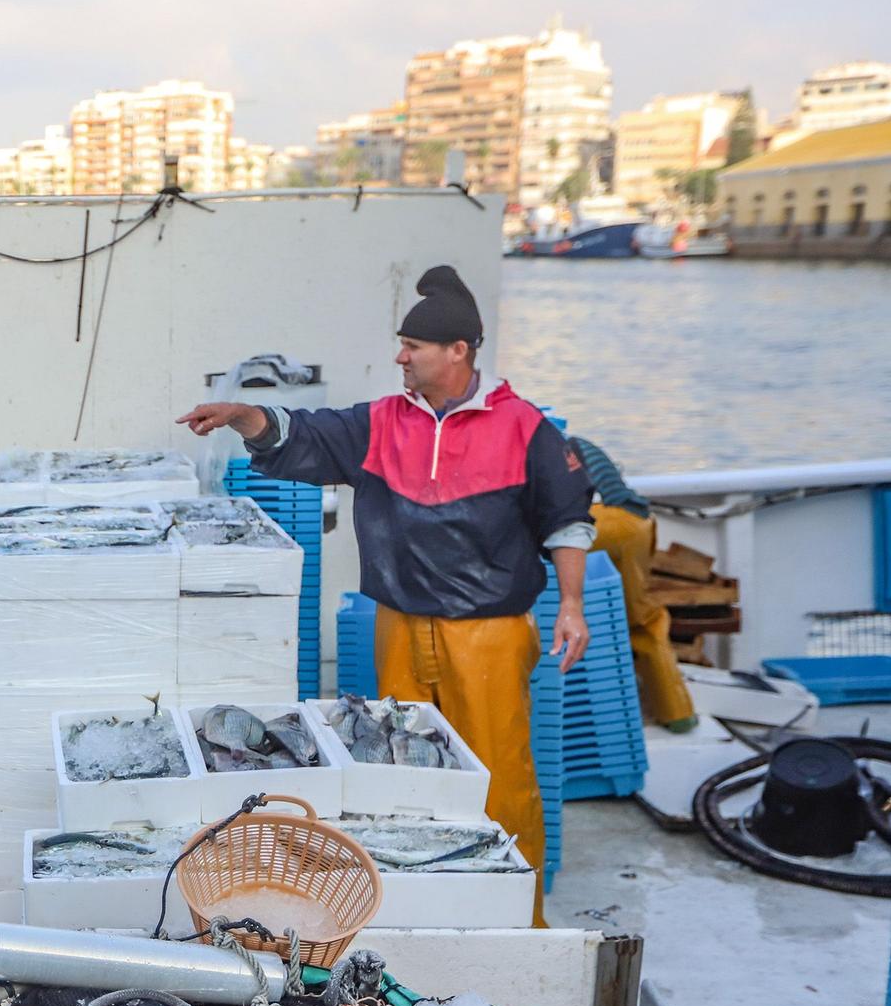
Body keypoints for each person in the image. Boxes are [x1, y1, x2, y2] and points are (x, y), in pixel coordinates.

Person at [178, 265, 593, 926]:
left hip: (486, 635)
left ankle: (519, 917)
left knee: (501, 781)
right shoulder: (380, 423)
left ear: (459, 351)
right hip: (398, 624)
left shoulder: (526, 428)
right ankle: (413, 909)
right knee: (394, 774)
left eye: (414, 346)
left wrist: (570, 604)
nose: (400, 356)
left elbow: (568, 519)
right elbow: (305, 434)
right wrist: (243, 417)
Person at [568, 435, 697, 733]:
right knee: (641, 619)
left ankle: (676, 716)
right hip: (636, 521)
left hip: (611, 521)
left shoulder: (526, 440)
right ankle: (677, 713)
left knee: (640, 621)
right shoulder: (558, 437)